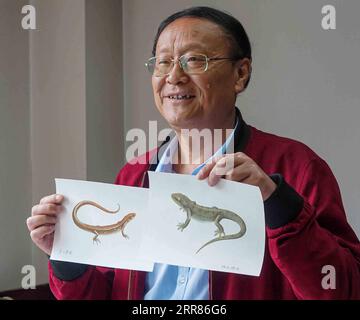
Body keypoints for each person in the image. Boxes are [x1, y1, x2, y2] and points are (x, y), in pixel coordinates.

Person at [27, 6, 360, 299]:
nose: (174, 76)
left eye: (193, 60)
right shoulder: (134, 174)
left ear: (240, 74)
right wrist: (66, 255)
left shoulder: (297, 167)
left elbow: (342, 289)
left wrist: (277, 204)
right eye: (163, 62)